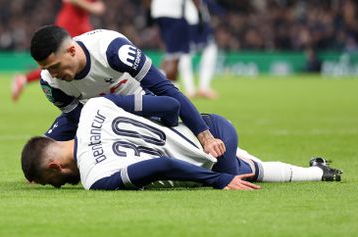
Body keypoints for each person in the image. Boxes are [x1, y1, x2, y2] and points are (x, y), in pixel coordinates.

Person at [21, 95, 343, 190]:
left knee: (237, 177)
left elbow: (163, 164)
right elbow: (168, 107)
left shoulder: (95, 178)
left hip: (207, 157)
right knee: (248, 168)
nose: (59, 187)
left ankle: (316, 173)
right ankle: (319, 172)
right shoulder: (94, 105)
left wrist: (220, 181)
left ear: (54, 166)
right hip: (208, 128)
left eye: (52, 182)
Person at [26, 24, 225, 158]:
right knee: (40, 158)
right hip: (93, 111)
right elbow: (79, 119)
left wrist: (206, 138)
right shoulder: (49, 83)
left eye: (55, 66)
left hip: (138, 100)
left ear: (71, 51)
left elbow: (165, 88)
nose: (52, 74)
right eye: (46, 69)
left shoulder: (112, 50)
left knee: (162, 131)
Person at [11, 0, 106, 102]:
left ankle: (24, 79)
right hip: (70, 23)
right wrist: (90, 7)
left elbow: (99, 7)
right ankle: (24, 79)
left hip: (81, 24)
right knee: (57, 61)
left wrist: (90, 7)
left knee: (82, 57)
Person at [179, 0, 220, 99]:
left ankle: (203, 88)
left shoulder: (204, 3)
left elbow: (218, 10)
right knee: (184, 59)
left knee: (211, 50)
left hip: (202, 30)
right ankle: (190, 90)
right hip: (187, 30)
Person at [150, 0, 193, 81]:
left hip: (157, 12)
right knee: (177, 54)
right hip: (173, 13)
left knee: (170, 52)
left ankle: (168, 83)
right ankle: (160, 83)